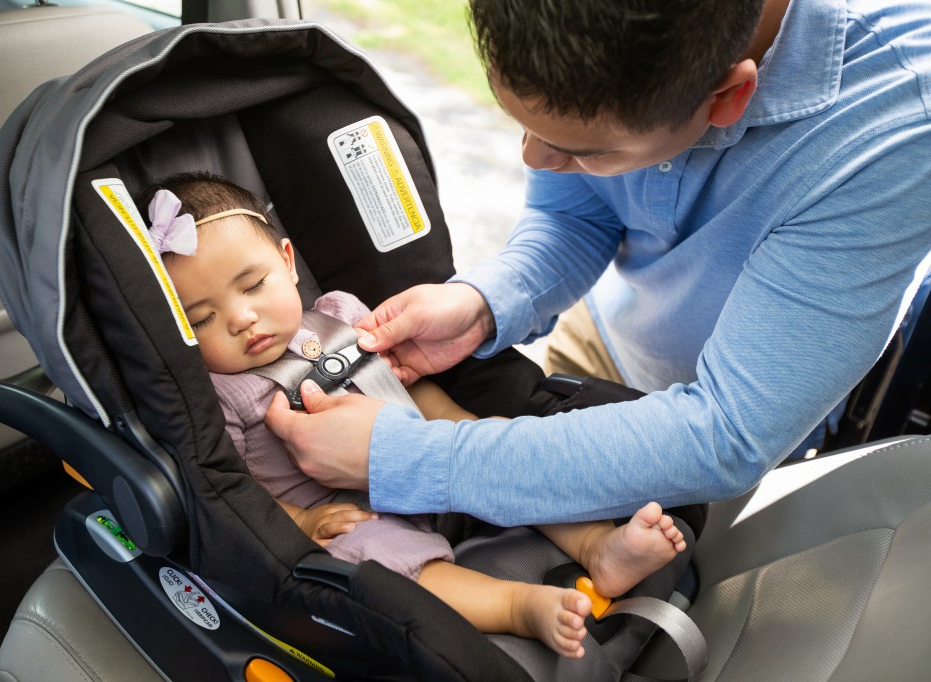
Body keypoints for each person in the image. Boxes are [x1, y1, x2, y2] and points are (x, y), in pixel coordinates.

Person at [264, 0, 931, 528]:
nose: (531, 159)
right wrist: (489, 301)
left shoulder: (893, 134)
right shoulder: (604, 63)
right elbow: (578, 213)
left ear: (728, 98)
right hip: (607, 339)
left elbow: (726, 435)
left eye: (579, 149)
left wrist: (404, 459)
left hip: (721, 438)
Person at [137, 172, 687, 658]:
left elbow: (412, 389)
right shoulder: (219, 395)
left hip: (429, 455)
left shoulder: (340, 315)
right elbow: (237, 495)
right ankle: (518, 606)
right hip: (349, 512)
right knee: (375, 557)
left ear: (286, 260)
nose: (242, 318)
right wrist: (303, 523)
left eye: (253, 285)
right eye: (201, 318)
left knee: (508, 459)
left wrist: (459, 425)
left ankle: (597, 547)